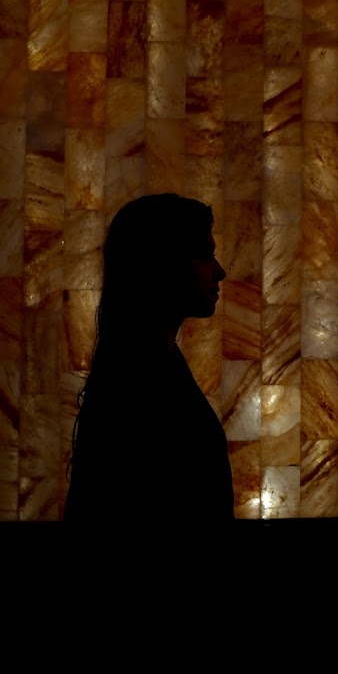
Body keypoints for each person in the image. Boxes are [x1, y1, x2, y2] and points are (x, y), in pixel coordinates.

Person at [63, 192, 234, 524]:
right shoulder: (139, 384)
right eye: (204, 255)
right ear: (163, 264)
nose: (220, 271)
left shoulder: (146, 366)